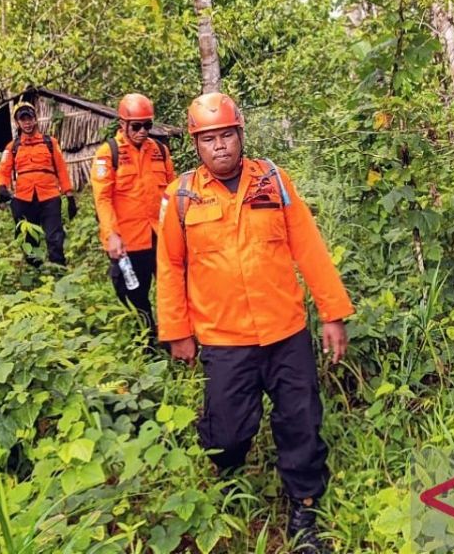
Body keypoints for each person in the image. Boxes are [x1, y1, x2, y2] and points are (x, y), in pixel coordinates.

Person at [156, 93, 353, 553]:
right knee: (227, 433)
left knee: (300, 420)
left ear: (241, 135)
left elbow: (309, 247)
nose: (219, 146)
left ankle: (305, 504)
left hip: (286, 332)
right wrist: (178, 332)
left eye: (226, 135)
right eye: (209, 139)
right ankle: (227, 479)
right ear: (195, 145)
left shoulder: (273, 181)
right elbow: (169, 268)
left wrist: (333, 313)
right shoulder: (181, 197)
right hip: (224, 340)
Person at [90, 93, 176, 345]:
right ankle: (147, 343)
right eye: (136, 126)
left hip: (160, 237)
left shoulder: (160, 151)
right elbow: (102, 198)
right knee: (132, 293)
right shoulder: (109, 154)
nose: (142, 132)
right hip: (128, 242)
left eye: (147, 126)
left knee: (171, 290)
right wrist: (112, 235)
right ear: (122, 125)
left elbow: (172, 193)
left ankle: (175, 338)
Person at [0, 102, 75, 264]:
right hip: (23, 199)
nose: (27, 122)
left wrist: (70, 196)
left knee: (54, 237)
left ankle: (58, 269)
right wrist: (1, 187)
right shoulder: (12, 147)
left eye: (29, 118)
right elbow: (4, 170)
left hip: (50, 197)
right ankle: (35, 272)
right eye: (22, 119)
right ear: (18, 123)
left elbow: (61, 169)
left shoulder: (50, 142)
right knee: (29, 238)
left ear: (35, 119)